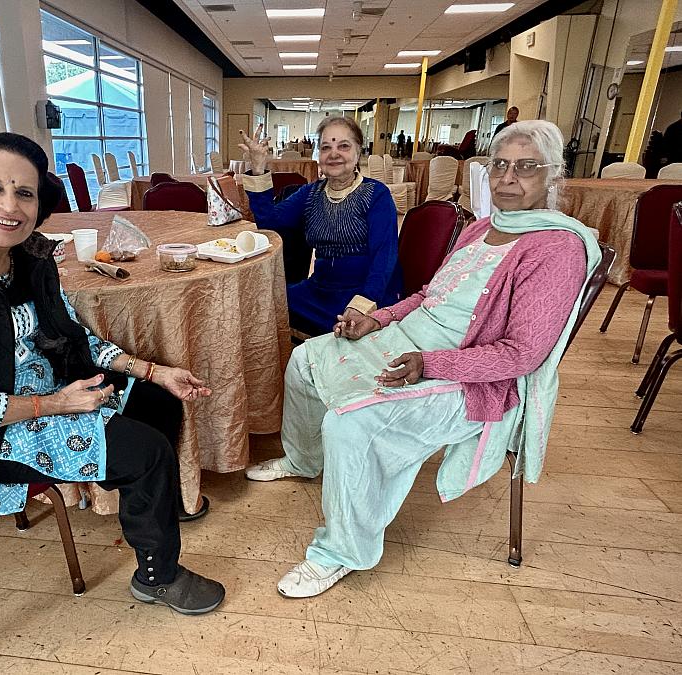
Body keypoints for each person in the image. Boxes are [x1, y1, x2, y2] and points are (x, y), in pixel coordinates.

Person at [0, 132, 225, 615]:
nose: (8, 206)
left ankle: (150, 508)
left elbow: (71, 337)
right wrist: (57, 404)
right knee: (146, 451)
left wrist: (155, 372)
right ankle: (157, 575)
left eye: (24, 193)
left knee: (157, 400)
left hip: (43, 390)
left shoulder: (26, 257)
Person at [245, 120, 601, 598]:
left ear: (553, 176)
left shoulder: (556, 249)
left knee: (349, 425)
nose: (507, 178)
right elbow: (431, 293)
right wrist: (381, 318)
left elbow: (522, 354)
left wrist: (430, 363)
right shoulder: (481, 227)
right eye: (499, 165)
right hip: (409, 340)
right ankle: (305, 460)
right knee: (306, 358)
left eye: (526, 167)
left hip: (469, 375)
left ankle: (341, 552)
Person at [237, 117, 402, 336]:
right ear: (319, 156)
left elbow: (384, 257)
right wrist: (258, 169)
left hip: (367, 294)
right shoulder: (311, 193)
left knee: (348, 332)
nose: (334, 154)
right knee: (261, 304)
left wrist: (362, 306)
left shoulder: (376, 194)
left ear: (358, 152)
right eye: (326, 147)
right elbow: (270, 224)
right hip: (318, 291)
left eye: (343, 146)